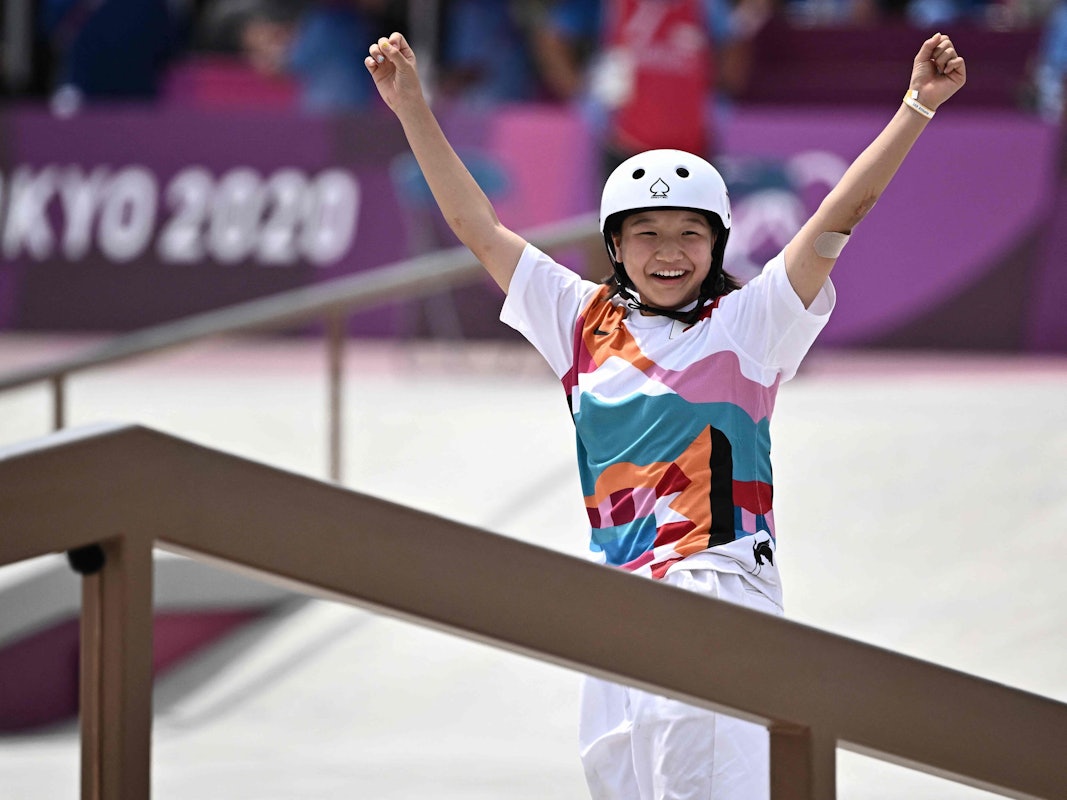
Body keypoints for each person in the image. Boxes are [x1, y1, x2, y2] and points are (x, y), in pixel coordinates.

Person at [365, 29, 965, 800]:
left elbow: (840, 214)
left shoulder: (751, 323)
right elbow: (476, 227)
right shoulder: (577, 319)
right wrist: (412, 107)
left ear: (717, 244)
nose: (668, 251)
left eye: (689, 233)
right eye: (645, 234)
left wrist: (916, 106)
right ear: (615, 247)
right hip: (613, 600)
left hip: (713, 585)